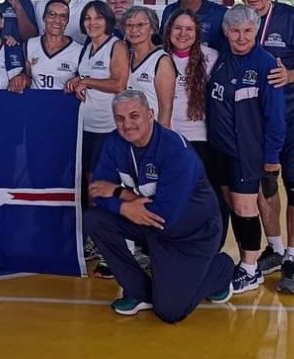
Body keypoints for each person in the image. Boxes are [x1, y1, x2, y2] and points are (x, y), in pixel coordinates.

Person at [85, 90, 235, 321]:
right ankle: (139, 292)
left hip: (192, 234)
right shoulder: (114, 142)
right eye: (120, 119)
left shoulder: (175, 151)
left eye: (134, 116)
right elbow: (97, 190)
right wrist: (123, 201)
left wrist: (120, 197)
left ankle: (220, 269)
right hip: (152, 226)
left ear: (150, 115)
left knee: (170, 312)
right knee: (93, 219)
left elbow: (165, 215)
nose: (127, 125)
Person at [237, 0, 294, 294]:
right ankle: (274, 248)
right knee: (265, 185)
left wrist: (290, 76)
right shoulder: (237, 21)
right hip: (257, 123)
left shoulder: (292, 19)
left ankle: (293, 259)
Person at [207, 4, 287, 295]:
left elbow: (275, 118)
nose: (241, 37)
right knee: (234, 205)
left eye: (247, 31)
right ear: (226, 32)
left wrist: (271, 158)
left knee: (245, 207)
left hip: (246, 153)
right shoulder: (222, 58)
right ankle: (245, 262)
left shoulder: (266, 65)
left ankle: (251, 270)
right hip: (220, 150)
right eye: (235, 31)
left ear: (256, 31)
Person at [69, 0, 129, 276]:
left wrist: (87, 82)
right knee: (89, 187)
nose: (92, 23)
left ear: (107, 20)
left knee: (104, 188)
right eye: (87, 18)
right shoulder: (87, 47)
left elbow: (119, 83)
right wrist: (75, 81)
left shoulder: (116, 45)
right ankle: (96, 241)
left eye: (97, 18)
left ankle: (114, 249)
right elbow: (84, 77)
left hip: (108, 128)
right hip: (86, 126)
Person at [163, 8, 226, 245]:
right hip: (170, 139)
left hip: (203, 140)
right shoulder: (159, 57)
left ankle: (212, 244)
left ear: (197, 32)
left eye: (189, 29)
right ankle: (176, 244)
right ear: (169, 31)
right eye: (178, 28)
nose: (183, 33)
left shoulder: (211, 57)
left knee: (207, 197)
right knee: (174, 196)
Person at [122, 6, 175, 128]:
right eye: (129, 25)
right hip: (130, 129)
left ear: (152, 29)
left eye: (140, 25)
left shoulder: (162, 61)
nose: (134, 30)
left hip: (152, 131)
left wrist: (161, 137)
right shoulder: (127, 58)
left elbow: (166, 109)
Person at [26, 0, 82, 91]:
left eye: (63, 16)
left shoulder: (79, 51)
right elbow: (27, 78)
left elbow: (88, 79)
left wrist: (80, 80)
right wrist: (21, 78)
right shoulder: (29, 45)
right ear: (44, 18)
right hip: (35, 99)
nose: (57, 20)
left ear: (67, 21)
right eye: (52, 14)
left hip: (64, 100)